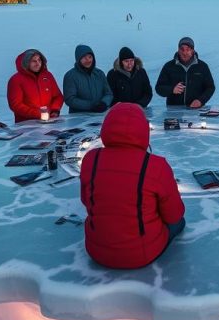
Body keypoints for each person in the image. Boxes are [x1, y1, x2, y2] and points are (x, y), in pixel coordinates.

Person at [80, 103, 186, 269]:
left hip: (96, 251)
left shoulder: (90, 159)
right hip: (141, 254)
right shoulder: (155, 165)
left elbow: (87, 201)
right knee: (179, 223)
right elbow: (174, 215)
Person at [154, 36, 216, 108]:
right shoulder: (169, 66)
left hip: (195, 110)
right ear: (178, 50)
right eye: (182, 49)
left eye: (188, 49)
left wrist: (200, 101)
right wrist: (172, 90)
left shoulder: (202, 66)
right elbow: (159, 88)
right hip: (174, 110)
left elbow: (210, 87)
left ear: (193, 50)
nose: (185, 52)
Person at [7, 48, 64, 122]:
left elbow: (57, 96)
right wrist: (38, 114)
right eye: (34, 61)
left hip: (50, 121)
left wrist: (55, 110)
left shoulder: (47, 76)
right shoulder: (16, 80)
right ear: (26, 63)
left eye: (39, 60)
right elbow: (16, 105)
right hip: (26, 124)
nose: (38, 64)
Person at [63, 44, 112, 113]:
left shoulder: (99, 74)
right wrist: (91, 105)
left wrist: (104, 103)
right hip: (79, 117)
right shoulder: (70, 76)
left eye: (90, 57)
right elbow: (70, 99)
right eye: (84, 58)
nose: (88, 60)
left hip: (99, 115)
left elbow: (108, 93)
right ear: (78, 59)